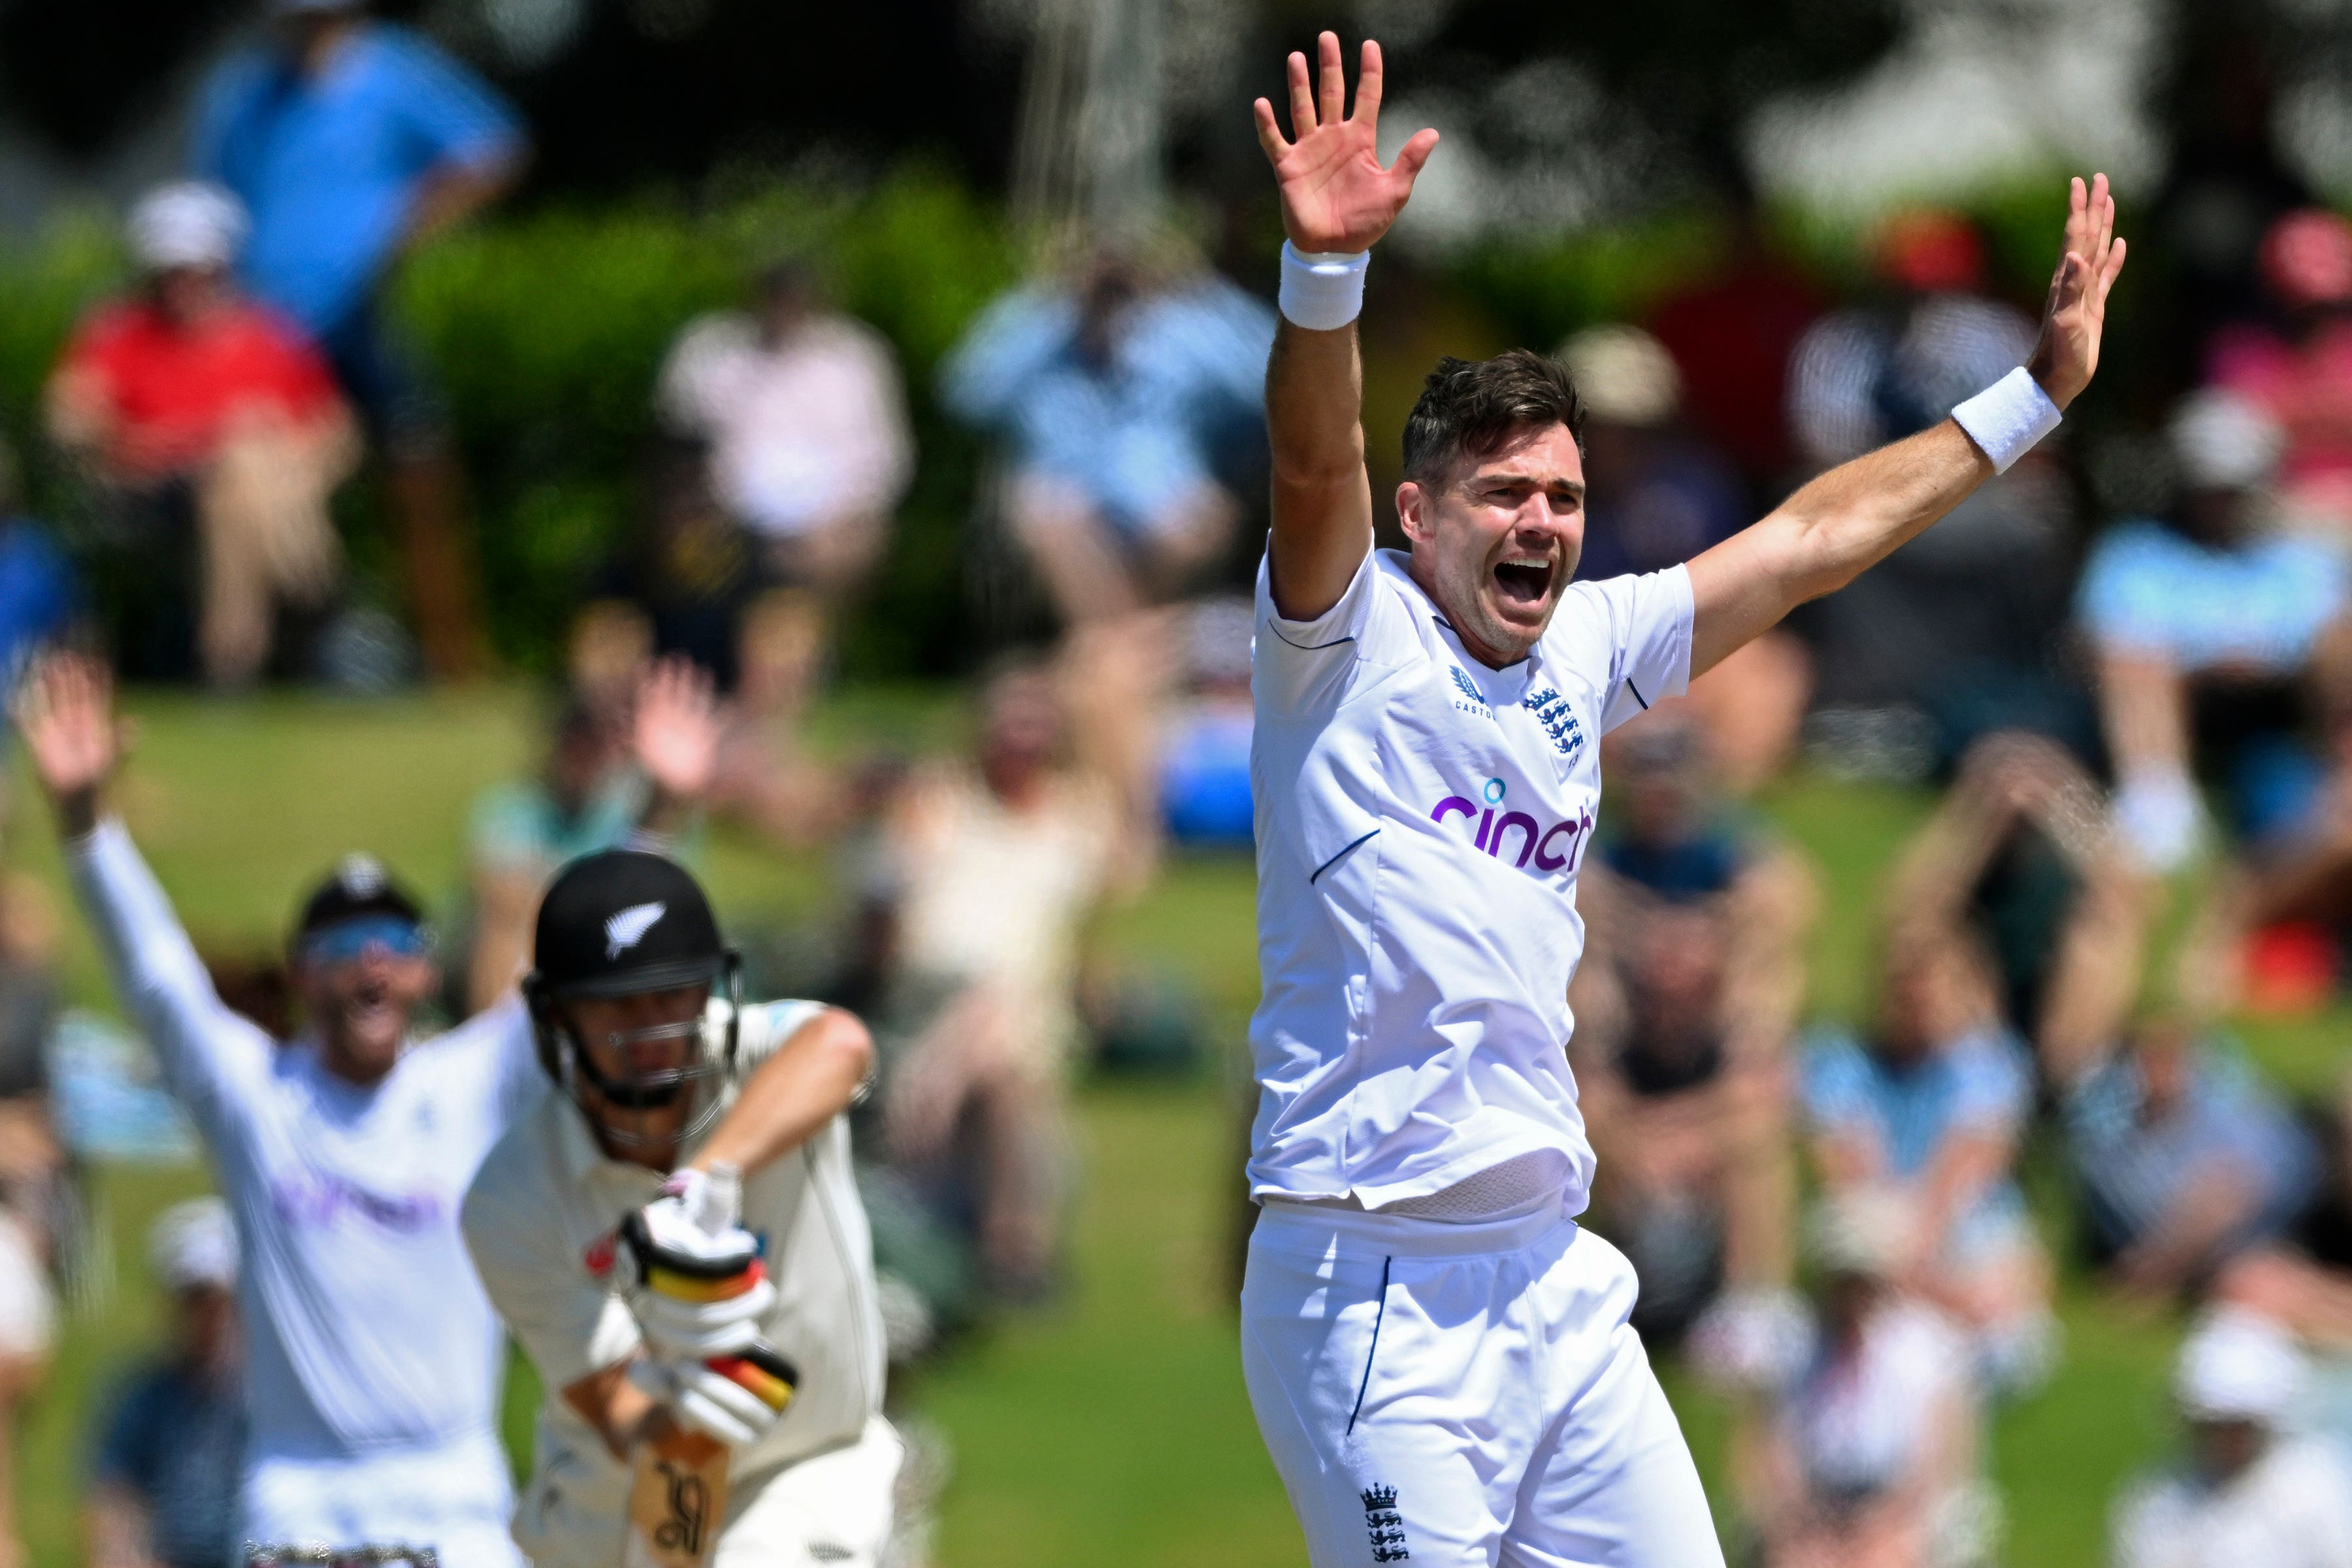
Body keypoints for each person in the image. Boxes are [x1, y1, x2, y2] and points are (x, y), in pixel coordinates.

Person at [1236, 31, 2121, 1565]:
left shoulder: (1587, 639)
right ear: (1416, 514)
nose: (1541, 523)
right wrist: (1326, 280)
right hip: (1366, 1282)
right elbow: (1310, 466)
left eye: (1565, 497)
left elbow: (1808, 537)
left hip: (1549, 1276)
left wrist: (2035, 395)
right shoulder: (1343, 632)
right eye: (1503, 494)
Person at [10, 649, 700, 1567]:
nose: (371, 960)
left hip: (454, 1502)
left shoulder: (468, 1084)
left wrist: (656, 809)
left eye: (393, 940)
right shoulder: (255, 1099)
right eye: (343, 942)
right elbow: (156, 976)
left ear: (422, 971)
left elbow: (582, 959)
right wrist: (85, 822)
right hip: (302, 1504)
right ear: (303, 974)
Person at [461, 849, 899, 1568]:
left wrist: (690, 1192)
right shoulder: (511, 1198)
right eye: (616, 1004)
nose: (651, 1030)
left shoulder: (759, 1057)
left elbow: (841, 1044)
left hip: (806, 1471)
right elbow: (620, 1416)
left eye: (672, 995)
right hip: (610, 1501)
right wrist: (697, 1383)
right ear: (557, 1015)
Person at [192, 0, 529, 679]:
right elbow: (216, 203)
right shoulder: (246, 91)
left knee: (417, 476)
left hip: (365, 319)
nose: (308, 33)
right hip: (274, 330)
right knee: (272, 490)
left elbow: (495, 150)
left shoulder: (394, 73)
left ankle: (453, 657)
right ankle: (274, 663)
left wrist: (406, 223)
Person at [865, 660, 1149, 1299]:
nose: (1021, 740)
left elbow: (1137, 847)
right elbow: (888, 902)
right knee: (993, 1042)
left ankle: (1009, 1247)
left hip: (1020, 1013)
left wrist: (1117, 709)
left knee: (1001, 1054)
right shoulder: (941, 802)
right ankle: (1017, 1248)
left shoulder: (1076, 819)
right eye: (1009, 723)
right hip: (932, 998)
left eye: (1036, 725)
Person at [46, 182, 353, 686]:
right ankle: (312, 594)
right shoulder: (121, 331)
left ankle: (230, 658)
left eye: (196, 268)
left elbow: (333, 427)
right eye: (171, 269)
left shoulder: (268, 335)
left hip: (258, 484)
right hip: (151, 482)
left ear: (222, 267)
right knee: (243, 461)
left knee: (239, 478)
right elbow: (71, 414)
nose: (182, 282)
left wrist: (286, 455)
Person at [1568, 716, 1810, 1345]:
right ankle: (1577, 1295)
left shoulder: (1728, 854)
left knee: (1759, 1108)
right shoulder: (1603, 861)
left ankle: (1758, 1308)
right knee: (1583, 1009)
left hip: (1711, 1068)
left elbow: (1788, 898)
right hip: (1628, 1064)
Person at [2078, 389, 2349, 872]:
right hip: (2178, 695)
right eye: (2210, 487)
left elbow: (2321, 633)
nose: (2221, 501)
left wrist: (2268, 659)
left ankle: (2342, 786)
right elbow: (2112, 638)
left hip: (2278, 705)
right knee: (2134, 662)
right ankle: (2158, 808)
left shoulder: (2296, 558)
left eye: (2234, 487)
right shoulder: (2137, 552)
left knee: (2341, 645)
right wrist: (2207, 663)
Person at [939, 244, 1274, 625]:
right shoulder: (1041, 350)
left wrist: (1197, 291)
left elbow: (1263, 379)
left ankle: (1113, 653)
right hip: (1066, 508)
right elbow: (964, 395)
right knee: (1050, 515)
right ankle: (1136, 650)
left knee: (1200, 524)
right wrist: (1053, 305)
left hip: (1165, 502)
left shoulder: (1178, 340)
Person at [1798, 929, 2054, 1390]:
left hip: (1952, 1229)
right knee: (1856, 1233)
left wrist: (1916, 1257)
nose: (1919, 1006)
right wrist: (1927, 1279)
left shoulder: (1990, 1063)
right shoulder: (1840, 1058)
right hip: (1880, 1221)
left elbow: (1970, 1168)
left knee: (2001, 1252)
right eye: (1906, 991)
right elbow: (1847, 1167)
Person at [1727, 1196, 1989, 1568]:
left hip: (1896, 1505)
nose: (1852, 1297)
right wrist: (1799, 1516)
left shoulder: (1926, 1350)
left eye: (1861, 1283)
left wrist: (1881, 1522)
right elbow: (1770, 1447)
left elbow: (1937, 1462)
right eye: (1843, 1283)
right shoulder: (1796, 1346)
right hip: (1817, 1503)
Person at [461, 659, 714, 1014]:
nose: (583, 751)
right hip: (537, 968)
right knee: (506, 921)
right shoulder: (510, 809)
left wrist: (666, 799)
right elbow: (504, 894)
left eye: (594, 739)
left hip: (617, 966)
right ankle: (498, 1042)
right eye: (573, 737)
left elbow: (658, 893)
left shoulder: (634, 807)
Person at [2111, 1310, 2352, 1568]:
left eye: (2238, 1424)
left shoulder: (2314, 1490)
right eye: (2213, 1424)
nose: (2225, 1437)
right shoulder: (2160, 1497)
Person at [87, 1198, 245, 1568]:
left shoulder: (271, 1397)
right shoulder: (144, 1397)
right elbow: (114, 1496)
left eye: (219, 1302)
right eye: (196, 1302)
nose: (210, 1319)